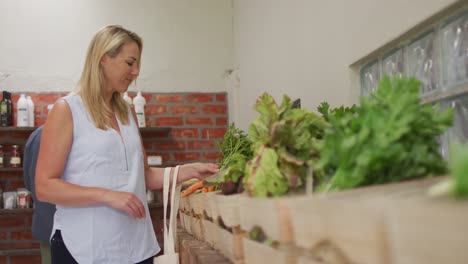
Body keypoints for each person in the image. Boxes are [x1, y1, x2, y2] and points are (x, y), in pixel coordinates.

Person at [35, 25, 219, 264]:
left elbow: (143, 175)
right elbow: (45, 186)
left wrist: (187, 170)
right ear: (103, 59)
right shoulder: (68, 109)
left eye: (137, 65)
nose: (136, 72)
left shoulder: (127, 112)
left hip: (135, 245)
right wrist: (107, 195)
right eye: (130, 63)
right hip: (84, 248)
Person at [23, 126, 55, 264]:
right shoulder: (72, 133)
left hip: (46, 223)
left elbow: (29, 183)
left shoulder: (37, 134)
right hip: (61, 225)